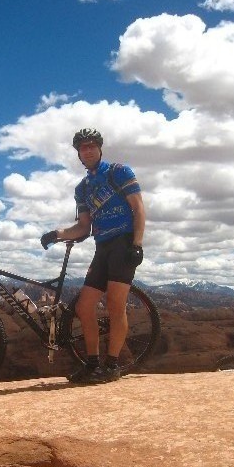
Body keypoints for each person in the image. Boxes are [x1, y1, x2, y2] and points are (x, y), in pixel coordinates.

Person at [41, 128, 146, 384]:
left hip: (122, 243)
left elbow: (138, 208)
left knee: (114, 304)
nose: (87, 151)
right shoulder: (83, 188)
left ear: (99, 148)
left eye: (91, 146)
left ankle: (112, 365)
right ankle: (92, 364)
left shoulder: (119, 172)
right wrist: (57, 233)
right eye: (82, 148)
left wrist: (137, 243)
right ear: (78, 154)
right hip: (102, 247)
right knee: (84, 306)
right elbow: (83, 228)